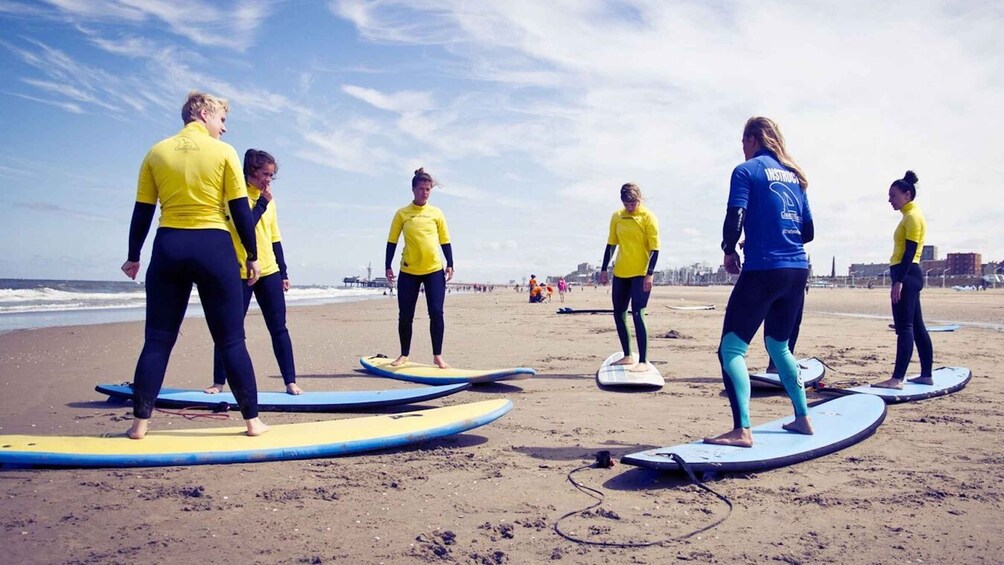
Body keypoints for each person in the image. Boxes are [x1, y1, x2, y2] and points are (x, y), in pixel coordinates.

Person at [121, 91, 267, 439]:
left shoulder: (157, 152)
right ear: (202, 113)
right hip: (213, 248)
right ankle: (252, 422)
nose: (225, 128)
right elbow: (239, 210)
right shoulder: (223, 153)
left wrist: (133, 255)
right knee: (231, 340)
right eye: (221, 119)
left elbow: (143, 210)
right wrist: (252, 254)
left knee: (157, 340)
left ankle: (139, 424)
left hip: (168, 246)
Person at [704, 116, 814, 448]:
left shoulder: (746, 171)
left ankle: (742, 430)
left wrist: (728, 249)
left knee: (731, 349)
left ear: (752, 139)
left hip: (764, 270)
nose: (742, 149)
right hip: (797, 271)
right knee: (779, 347)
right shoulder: (795, 176)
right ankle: (803, 418)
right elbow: (807, 232)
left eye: (743, 143)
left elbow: (735, 214)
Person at [204, 149, 302, 396]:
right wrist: (262, 203)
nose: (269, 180)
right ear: (251, 171)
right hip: (239, 272)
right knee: (231, 329)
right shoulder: (234, 196)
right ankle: (218, 383)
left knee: (279, 328)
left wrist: (284, 271)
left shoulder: (269, 200)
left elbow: (275, 237)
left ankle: (290, 381)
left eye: (272, 175)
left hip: (269, 271)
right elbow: (243, 225)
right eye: (265, 174)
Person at [385, 168, 454, 368]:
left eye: (428, 189)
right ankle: (404, 354)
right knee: (405, 315)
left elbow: (445, 240)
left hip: (433, 270)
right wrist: (387, 265)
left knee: (436, 312)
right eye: (422, 189)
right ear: (413, 189)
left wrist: (450, 263)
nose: (425, 192)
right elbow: (392, 241)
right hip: (409, 271)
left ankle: (438, 356)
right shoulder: (402, 214)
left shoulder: (437, 213)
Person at [873, 171, 933, 389]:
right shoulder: (910, 216)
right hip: (908, 275)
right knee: (916, 326)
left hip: (907, 275)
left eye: (893, 196)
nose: (890, 200)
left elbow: (910, 251)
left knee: (905, 327)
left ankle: (897, 379)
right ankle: (926, 375)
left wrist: (899, 281)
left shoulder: (913, 217)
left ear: (907, 194)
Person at [598, 183, 660, 373]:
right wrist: (603, 269)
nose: (631, 207)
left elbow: (655, 248)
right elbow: (611, 245)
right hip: (621, 273)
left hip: (641, 274)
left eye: (633, 203)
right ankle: (627, 355)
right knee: (619, 313)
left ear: (639, 199)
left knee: (638, 314)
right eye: (627, 204)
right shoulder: (617, 216)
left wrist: (649, 274)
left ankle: (642, 360)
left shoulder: (647, 216)